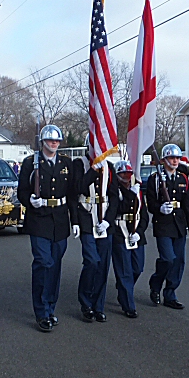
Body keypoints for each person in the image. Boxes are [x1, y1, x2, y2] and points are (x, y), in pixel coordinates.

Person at [17, 125, 77, 332]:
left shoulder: (66, 164)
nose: (54, 144)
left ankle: (50, 306)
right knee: (43, 262)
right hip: (39, 220)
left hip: (60, 220)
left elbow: (71, 195)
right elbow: (22, 191)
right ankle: (41, 311)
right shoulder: (30, 163)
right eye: (50, 141)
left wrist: (75, 221)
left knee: (55, 265)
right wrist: (29, 200)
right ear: (42, 142)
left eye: (57, 141)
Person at [145, 144, 189, 310]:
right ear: (164, 160)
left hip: (179, 225)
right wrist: (159, 208)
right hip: (163, 225)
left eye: (177, 158)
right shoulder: (155, 179)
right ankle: (156, 283)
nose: (175, 161)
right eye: (171, 158)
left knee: (179, 261)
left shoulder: (182, 178)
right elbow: (151, 203)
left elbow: (187, 204)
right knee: (168, 258)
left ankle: (170, 293)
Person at [72, 137, 118, 323]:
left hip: (104, 221)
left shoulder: (110, 168)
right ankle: (85, 302)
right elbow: (78, 189)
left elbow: (114, 197)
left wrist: (108, 220)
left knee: (103, 265)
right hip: (86, 218)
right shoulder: (79, 165)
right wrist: (92, 171)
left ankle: (98, 306)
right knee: (92, 261)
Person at [111, 160, 149, 318]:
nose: (126, 177)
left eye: (128, 174)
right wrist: (129, 195)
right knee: (125, 270)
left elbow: (144, 215)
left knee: (137, 268)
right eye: (122, 174)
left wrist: (139, 232)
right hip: (120, 233)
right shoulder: (113, 190)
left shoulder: (138, 191)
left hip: (136, 235)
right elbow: (118, 209)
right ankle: (128, 305)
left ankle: (123, 288)